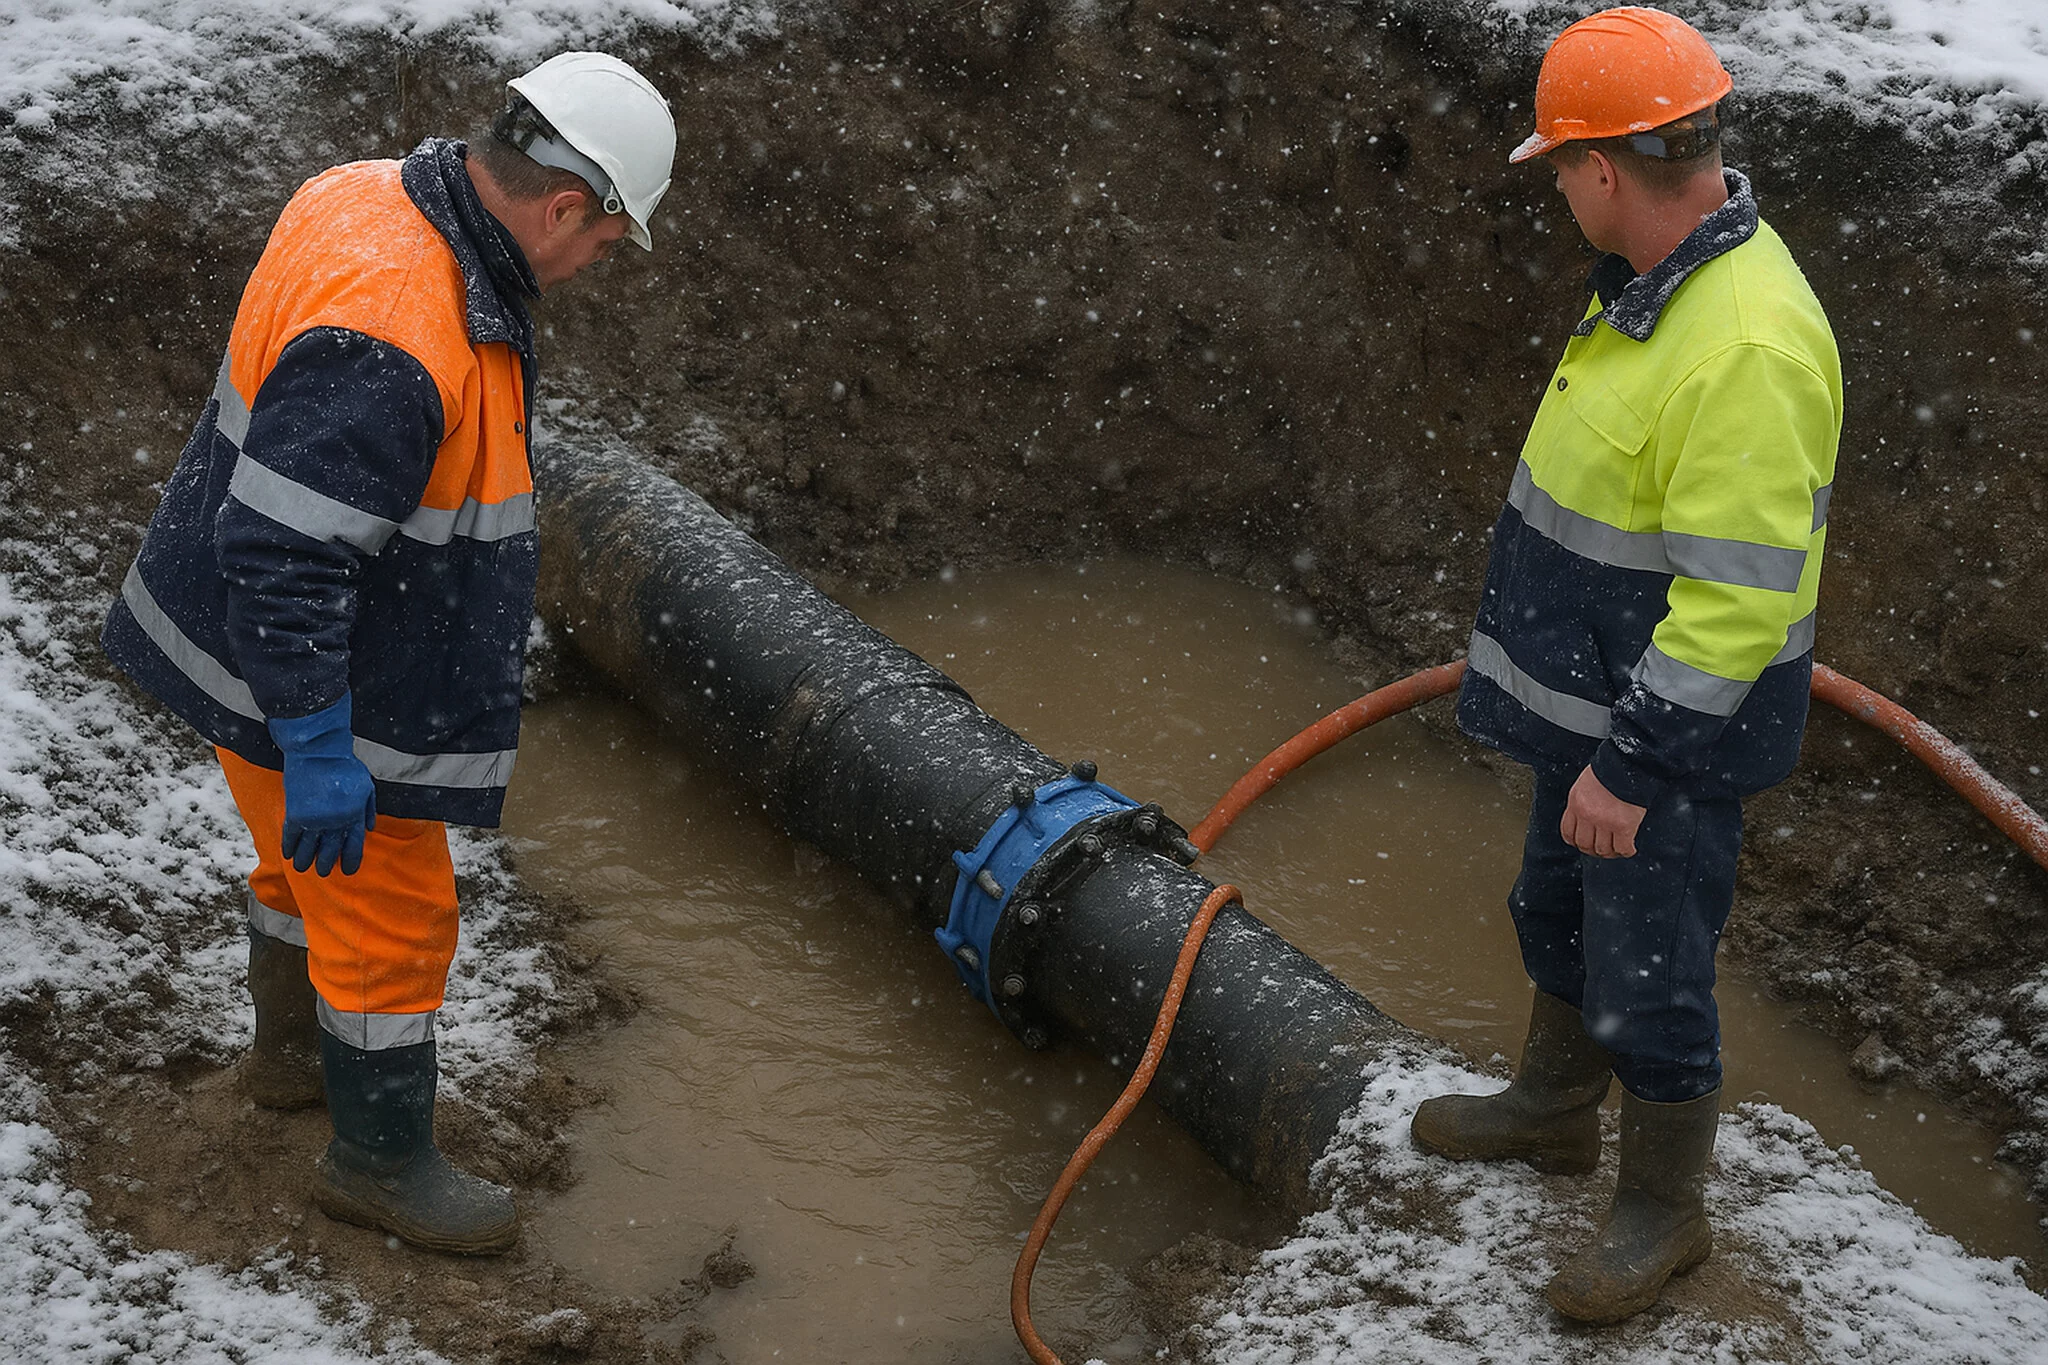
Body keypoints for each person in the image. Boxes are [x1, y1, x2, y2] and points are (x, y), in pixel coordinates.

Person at [101, 52, 677, 1256]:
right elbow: (286, 553)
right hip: (310, 668)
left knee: (298, 867)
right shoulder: (400, 331)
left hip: (235, 639)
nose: (592, 270)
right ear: (566, 205)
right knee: (392, 924)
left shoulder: (367, 192)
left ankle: (286, 1070)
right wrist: (319, 743)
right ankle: (376, 1162)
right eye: (606, 245)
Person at [1411, 7, 1842, 1324]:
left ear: (1604, 168)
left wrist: (1634, 763)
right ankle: (1552, 1107)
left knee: (1652, 971)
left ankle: (1665, 1210)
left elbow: (1735, 602)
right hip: (1595, 709)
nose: (1554, 187)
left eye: (1558, 166)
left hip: (1662, 736)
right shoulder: (1666, 289)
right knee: (1555, 910)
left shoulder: (1746, 344)